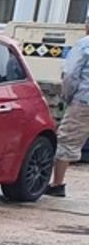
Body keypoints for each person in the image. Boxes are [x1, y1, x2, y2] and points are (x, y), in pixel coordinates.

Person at [52, 32, 89, 198]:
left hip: (84, 101)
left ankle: (57, 184)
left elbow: (71, 74)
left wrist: (67, 96)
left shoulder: (84, 45)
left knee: (67, 140)